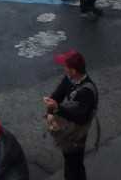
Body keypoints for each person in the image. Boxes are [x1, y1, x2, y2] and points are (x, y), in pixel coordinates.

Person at [44, 51, 98, 180]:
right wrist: (50, 111)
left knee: (74, 164)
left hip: (77, 133)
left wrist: (57, 108)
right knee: (70, 161)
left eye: (65, 66)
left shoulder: (87, 92)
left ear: (73, 71)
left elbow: (81, 118)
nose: (63, 68)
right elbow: (57, 96)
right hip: (68, 129)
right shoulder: (69, 79)